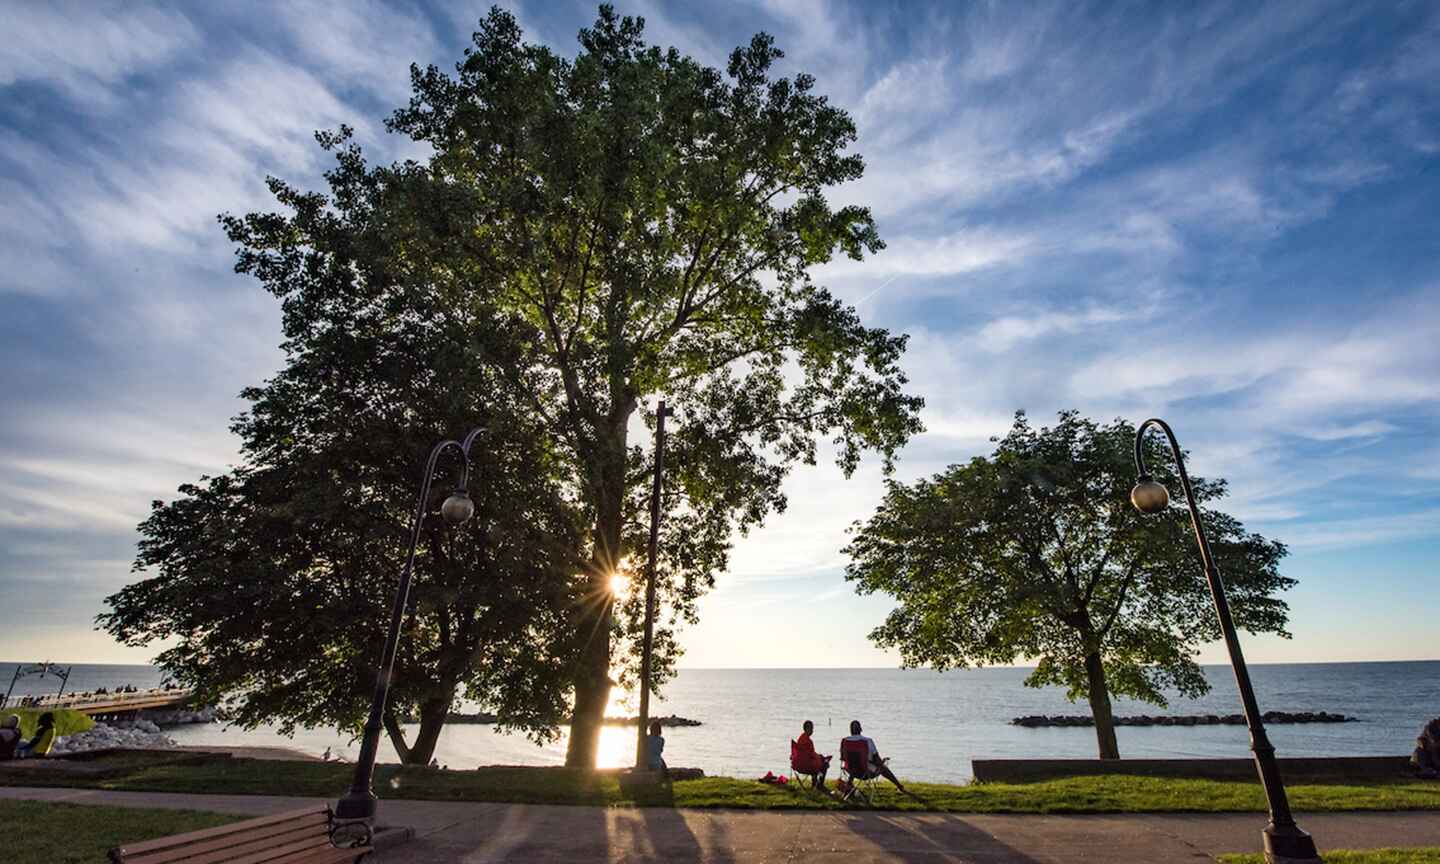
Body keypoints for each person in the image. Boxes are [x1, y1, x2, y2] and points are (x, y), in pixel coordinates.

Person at [840, 720, 905, 792]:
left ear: (850, 731)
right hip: (865, 771)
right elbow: (876, 759)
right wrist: (882, 762)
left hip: (850, 770)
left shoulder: (845, 741)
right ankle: (899, 786)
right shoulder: (867, 741)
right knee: (883, 768)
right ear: (861, 729)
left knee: (854, 762)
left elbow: (843, 758)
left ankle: (849, 784)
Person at [792, 720, 832, 789]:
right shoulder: (809, 741)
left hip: (798, 765)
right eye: (811, 729)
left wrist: (819, 756)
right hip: (807, 766)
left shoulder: (800, 738)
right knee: (825, 764)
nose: (812, 730)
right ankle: (819, 785)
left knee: (818, 761)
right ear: (807, 729)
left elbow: (808, 754)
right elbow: (811, 755)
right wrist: (821, 757)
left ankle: (815, 783)